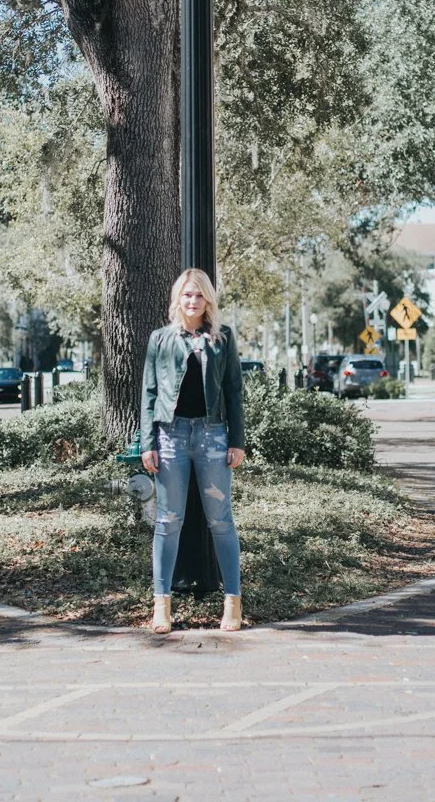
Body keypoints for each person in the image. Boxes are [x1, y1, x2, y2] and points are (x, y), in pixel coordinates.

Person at [140, 268, 245, 634]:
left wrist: (237, 440)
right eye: (186, 295)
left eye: (198, 295)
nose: (192, 301)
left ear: (207, 301)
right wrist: (147, 443)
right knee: (168, 522)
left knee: (221, 520)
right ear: (177, 299)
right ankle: (161, 605)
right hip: (171, 436)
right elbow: (149, 394)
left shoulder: (222, 339)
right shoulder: (161, 339)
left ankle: (232, 601)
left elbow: (233, 391)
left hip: (213, 436)